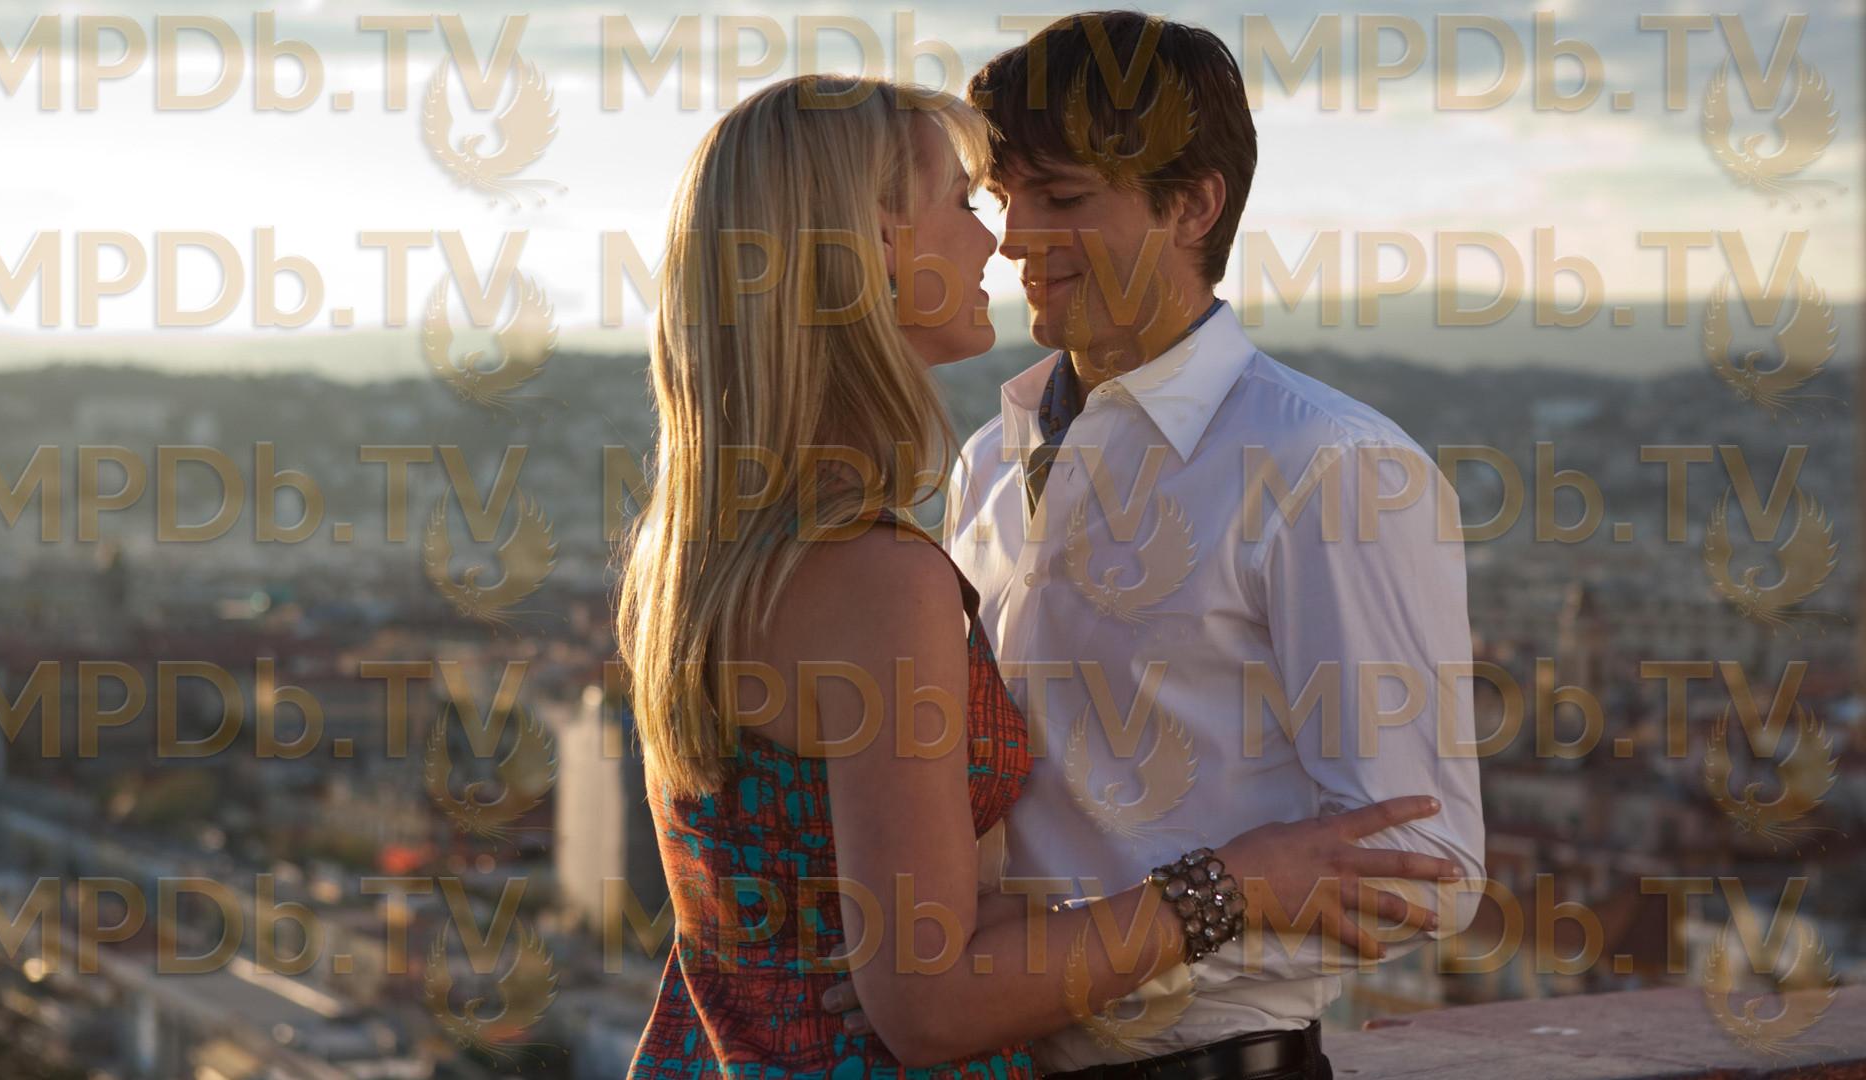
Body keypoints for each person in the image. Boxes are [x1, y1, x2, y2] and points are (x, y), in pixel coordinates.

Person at [621, 70, 1466, 1080]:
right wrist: (1234, 884)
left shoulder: (693, 550)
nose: (1002, 240)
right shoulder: (883, 570)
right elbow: (933, 1003)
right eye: (967, 202)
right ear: (874, 247)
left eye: (1053, 198)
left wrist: (977, 939)